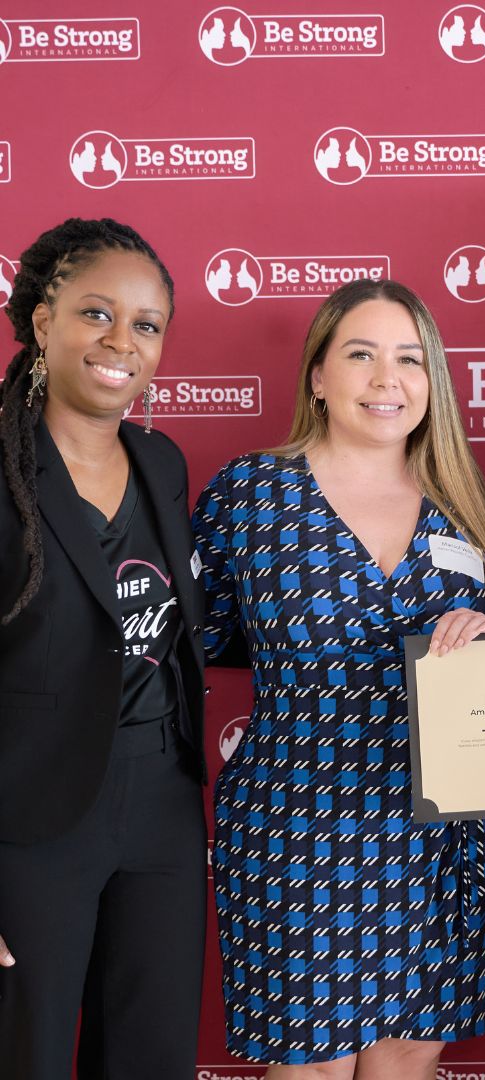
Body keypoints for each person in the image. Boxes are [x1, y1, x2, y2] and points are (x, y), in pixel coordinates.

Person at [193, 279, 485, 1079]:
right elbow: (187, 643)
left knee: (409, 1055)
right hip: (298, 821)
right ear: (317, 375)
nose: (387, 379)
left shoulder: (463, 501)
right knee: (311, 1065)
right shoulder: (249, 496)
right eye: (362, 355)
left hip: (437, 828)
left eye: (409, 359)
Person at [0, 218, 207, 1079]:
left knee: (151, 1052)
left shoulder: (162, 463)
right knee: (29, 1055)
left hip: (160, 799)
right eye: (96, 313)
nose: (122, 341)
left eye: (147, 325)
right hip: (26, 818)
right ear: (43, 321)